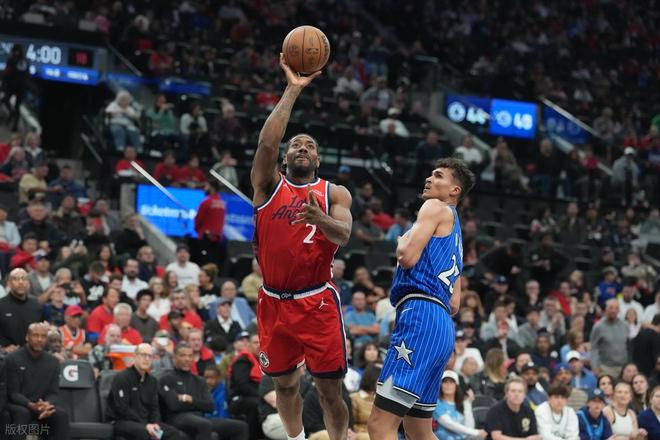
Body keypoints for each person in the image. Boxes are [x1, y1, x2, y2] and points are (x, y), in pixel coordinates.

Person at [249, 53, 354, 440]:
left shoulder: (334, 193)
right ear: (285, 157)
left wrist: (319, 219)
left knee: (329, 392)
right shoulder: (267, 186)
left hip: (316, 301)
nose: (302, 148)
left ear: (318, 159)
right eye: (295, 145)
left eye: (309, 145)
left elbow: (343, 235)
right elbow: (266, 142)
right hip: (274, 300)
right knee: (285, 386)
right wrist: (293, 90)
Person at [368, 158, 475, 439]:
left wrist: (403, 239)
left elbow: (406, 256)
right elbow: (455, 304)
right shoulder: (457, 236)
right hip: (442, 327)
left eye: (438, 175)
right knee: (419, 430)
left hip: (419, 316)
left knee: (380, 425)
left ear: (454, 190)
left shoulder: (434, 207)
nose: (429, 178)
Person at [159, 342, 249, 440]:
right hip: (177, 418)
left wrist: (190, 399)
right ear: (174, 358)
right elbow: (174, 405)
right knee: (204, 425)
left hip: (200, 418)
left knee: (241, 427)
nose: (187, 359)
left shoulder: (199, 380)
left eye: (190, 356)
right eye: (182, 355)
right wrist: (198, 403)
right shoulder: (166, 378)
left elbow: (210, 406)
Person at [4, 322, 70, 440]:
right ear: (27, 337)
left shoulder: (53, 362)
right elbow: (13, 393)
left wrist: (47, 405)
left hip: (41, 406)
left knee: (61, 415)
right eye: (35, 335)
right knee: (22, 413)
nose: (39, 340)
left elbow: (53, 392)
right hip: (18, 404)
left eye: (43, 336)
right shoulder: (12, 358)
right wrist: (31, 405)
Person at [107, 342, 186, 439]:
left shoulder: (152, 381)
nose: (147, 359)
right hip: (122, 421)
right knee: (145, 433)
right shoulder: (122, 377)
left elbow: (154, 408)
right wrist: (145, 425)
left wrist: (155, 423)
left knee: (173, 433)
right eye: (143, 355)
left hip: (146, 423)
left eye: (150, 356)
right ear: (135, 356)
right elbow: (122, 409)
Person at [228, 333, 262, 439]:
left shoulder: (264, 361)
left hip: (256, 395)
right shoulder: (242, 361)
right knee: (256, 404)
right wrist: (262, 396)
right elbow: (242, 385)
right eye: (255, 343)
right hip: (238, 398)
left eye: (261, 342)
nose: (259, 345)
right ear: (249, 345)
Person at [434, 370, 487, 439]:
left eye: (451, 382)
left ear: (456, 386)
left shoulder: (461, 404)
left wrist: (467, 403)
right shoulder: (437, 403)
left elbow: (469, 427)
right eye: (445, 382)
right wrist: (476, 432)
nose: (448, 385)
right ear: (440, 385)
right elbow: (449, 423)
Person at [0, 268, 43, 352]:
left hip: (33, 353)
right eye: (16, 279)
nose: (20, 282)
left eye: (24, 279)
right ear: (9, 283)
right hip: (7, 355)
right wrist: (2, 349)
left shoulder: (36, 305)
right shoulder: (1, 305)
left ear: (28, 283)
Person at [484, 376, 540, 440]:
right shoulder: (495, 411)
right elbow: (497, 437)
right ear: (506, 393)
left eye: (520, 391)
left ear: (524, 395)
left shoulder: (529, 411)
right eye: (513, 391)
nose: (517, 394)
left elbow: (534, 436)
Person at [589, 299, 629, 377]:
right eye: (610, 307)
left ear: (619, 310)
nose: (613, 310)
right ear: (605, 309)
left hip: (624, 367)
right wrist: (595, 366)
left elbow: (629, 346)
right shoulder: (598, 327)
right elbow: (594, 348)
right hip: (606, 367)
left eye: (616, 308)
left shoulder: (625, 325)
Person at [193, 180, 226, 266]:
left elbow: (198, 219)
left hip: (206, 237)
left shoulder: (206, 202)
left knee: (204, 262)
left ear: (212, 188)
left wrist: (197, 230)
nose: (204, 188)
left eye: (206, 186)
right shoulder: (222, 203)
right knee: (213, 262)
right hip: (217, 238)